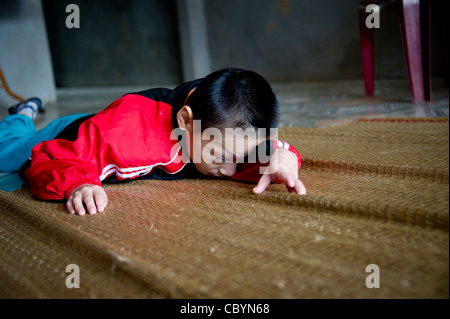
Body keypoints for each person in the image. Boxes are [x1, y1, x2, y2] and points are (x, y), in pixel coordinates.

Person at [0, 68, 306, 216]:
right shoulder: (126, 132)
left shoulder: (219, 126)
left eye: (240, 158)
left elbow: (260, 154)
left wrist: (283, 155)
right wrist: (79, 184)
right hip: (72, 131)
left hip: (103, 121)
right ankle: (21, 115)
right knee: (9, 152)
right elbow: (49, 158)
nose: (230, 171)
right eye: (220, 157)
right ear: (186, 122)